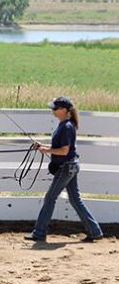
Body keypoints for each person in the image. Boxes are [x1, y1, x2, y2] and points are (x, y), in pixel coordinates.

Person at [24, 96, 103, 243]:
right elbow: (61, 149)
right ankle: (94, 231)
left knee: (50, 198)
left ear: (64, 110)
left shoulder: (66, 127)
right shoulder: (65, 125)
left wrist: (46, 150)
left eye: (55, 108)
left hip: (66, 167)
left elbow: (64, 151)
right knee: (75, 200)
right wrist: (44, 147)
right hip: (70, 166)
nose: (53, 111)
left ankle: (39, 233)